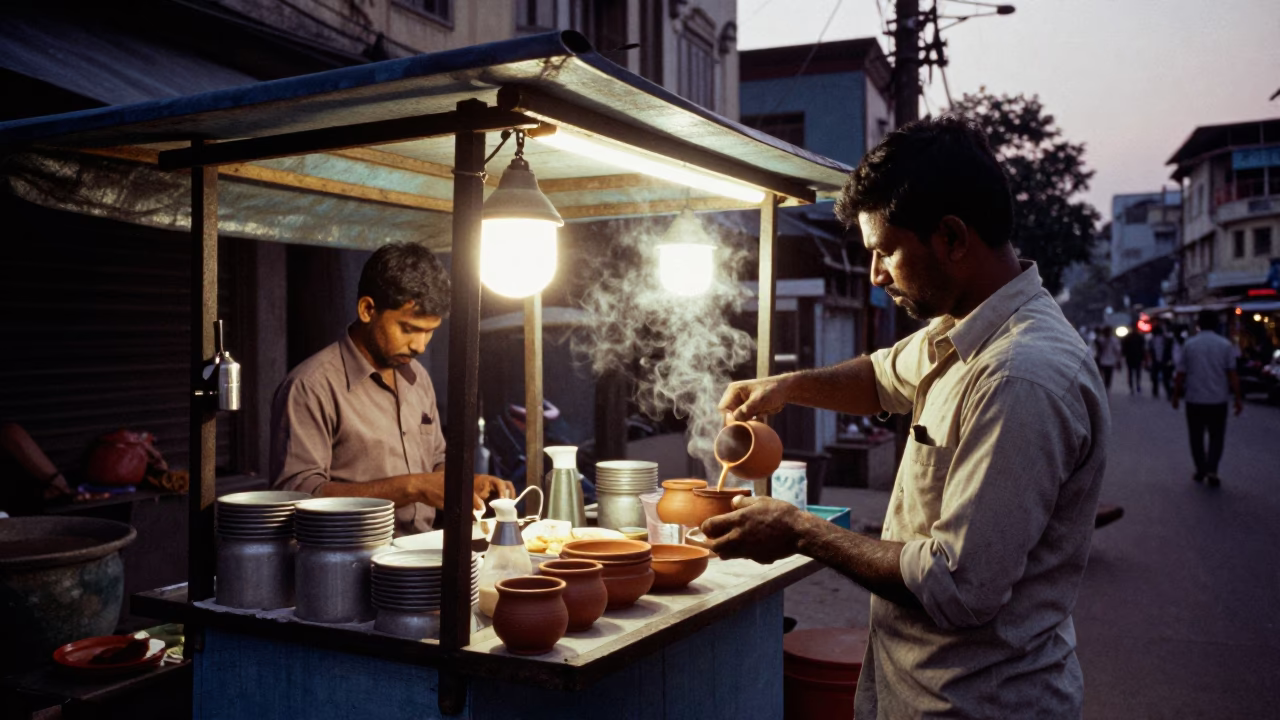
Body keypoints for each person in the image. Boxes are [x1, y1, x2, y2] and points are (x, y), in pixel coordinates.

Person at [708, 116, 1109, 719]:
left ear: (951, 237)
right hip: (918, 692)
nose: (875, 275)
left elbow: (957, 585)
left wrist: (799, 531)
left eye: (886, 252)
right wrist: (785, 386)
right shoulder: (961, 328)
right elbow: (881, 377)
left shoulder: (1018, 377)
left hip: (979, 704)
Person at [270, 243, 513, 536]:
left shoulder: (417, 377)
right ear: (368, 309)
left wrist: (464, 484)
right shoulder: (311, 386)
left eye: (429, 331)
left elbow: (436, 460)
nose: (420, 346)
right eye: (409, 329)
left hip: (420, 552)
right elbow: (297, 495)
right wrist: (412, 488)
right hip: (347, 560)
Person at [1171, 309, 1243, 487]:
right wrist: (1238, 398)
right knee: (1216, 436)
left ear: (1198, 324)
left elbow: (1180, 373)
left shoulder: (1190, 345)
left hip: (1194, 398)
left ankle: (1201, 468)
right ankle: (1212, 469)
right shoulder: (1225, 345)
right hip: (1218, 400)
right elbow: (1232, 374)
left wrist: (1175, 395)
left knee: (1196, 436)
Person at [1147, 322, 1175, 399]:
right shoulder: (1164, 340)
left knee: (1160, 378)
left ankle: (1160, 392)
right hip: (1160, 361)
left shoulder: (1154, 340)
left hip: (1160, 361)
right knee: (1162, 378)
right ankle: (1165, 393)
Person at [1094, 325, 1121, 392]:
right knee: (1102, 375)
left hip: (1110, 361)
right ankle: (1103, 386)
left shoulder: (1114, 340)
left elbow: (1117, 350)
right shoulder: (1101, 340)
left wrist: (1118, 360)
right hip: (1102, 360)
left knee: (1108, 375)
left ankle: (1107, 386)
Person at [1121, 323, 1146, 394]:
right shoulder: (1129, 337)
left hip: (1136, 357)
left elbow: (1142, 348)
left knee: (1136, 373)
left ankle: (1136, 385)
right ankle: (1132, 386)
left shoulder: (1138, 337)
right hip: (1131, 357)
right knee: (1131, 373)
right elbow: (1124, 347)